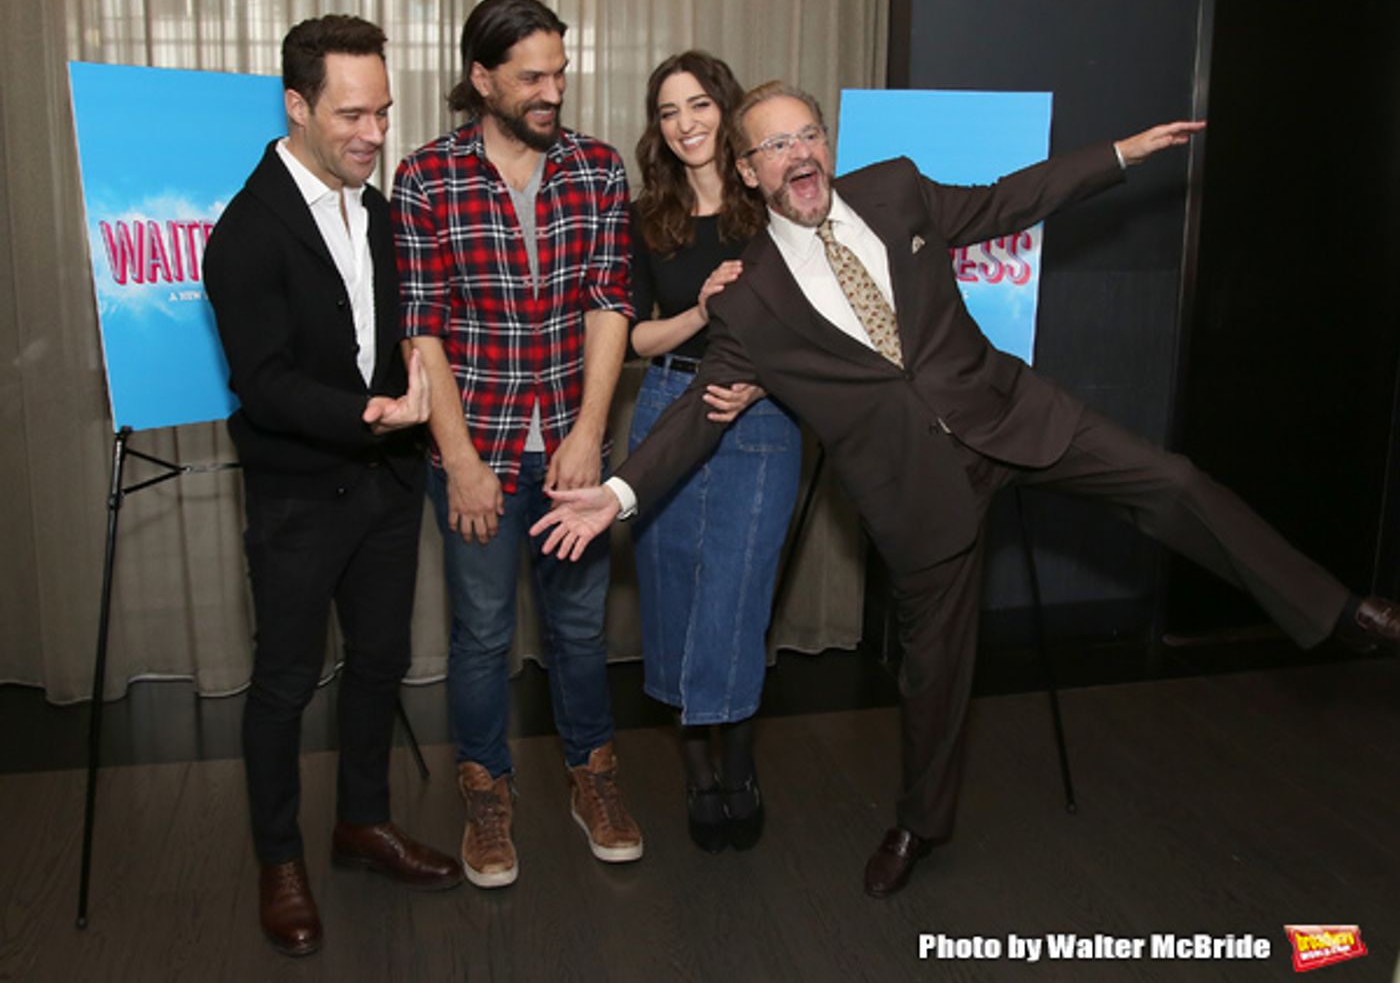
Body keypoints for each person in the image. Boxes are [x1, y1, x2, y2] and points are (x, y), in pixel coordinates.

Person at [531, 80, 1400, 899]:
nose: (799, 153)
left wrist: (1121, 154)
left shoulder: (895, 191)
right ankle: (919, 824)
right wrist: (618, 493)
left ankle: (1337, 611)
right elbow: (696, 416)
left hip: (1010, 415)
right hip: (914, 489)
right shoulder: (749, 299)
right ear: (751, 172)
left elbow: (1008, 200)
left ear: (826, 144)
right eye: (776, 145)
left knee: (1172, 480)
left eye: (808, 135)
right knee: (935, 673)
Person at [203, 15, 462, 958]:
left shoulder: (379, 211)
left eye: (383, 111)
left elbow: (397, 336)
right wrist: (372, 413)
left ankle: (362, 822)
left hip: (386, 487)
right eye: (352, 114)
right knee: (283, 683)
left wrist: (418, 397)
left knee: (380, 661)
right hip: (299, 497)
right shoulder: (244, 232)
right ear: (297, 105)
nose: (374, 133)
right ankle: (280, 860)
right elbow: (264, 383)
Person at [392, 0, 641, 890]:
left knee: (578, 626)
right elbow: (422, 328)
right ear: (482, 77)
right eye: (532, 77)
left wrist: (587, 432)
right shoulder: (426, 177)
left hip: (572, 446)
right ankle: (486, 790)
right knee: (483, 632)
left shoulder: (599, 168)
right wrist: (462, 462)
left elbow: (609, 303)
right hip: (478, 449)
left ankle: (593, 777)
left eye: (560, 74)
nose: (552, 92)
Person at [628, 51, 800, 852]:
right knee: (672, 595)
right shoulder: (647, 216)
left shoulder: (771, 207)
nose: (685, 123)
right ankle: (697, 770)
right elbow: (635, 337)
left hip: (761, 415)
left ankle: (740, 763)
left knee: (737, 594)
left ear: (726, 112)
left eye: (699, 104)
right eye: (668, 111)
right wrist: (699, 310)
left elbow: (815, 326)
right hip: (667, 404)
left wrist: (762, 385)